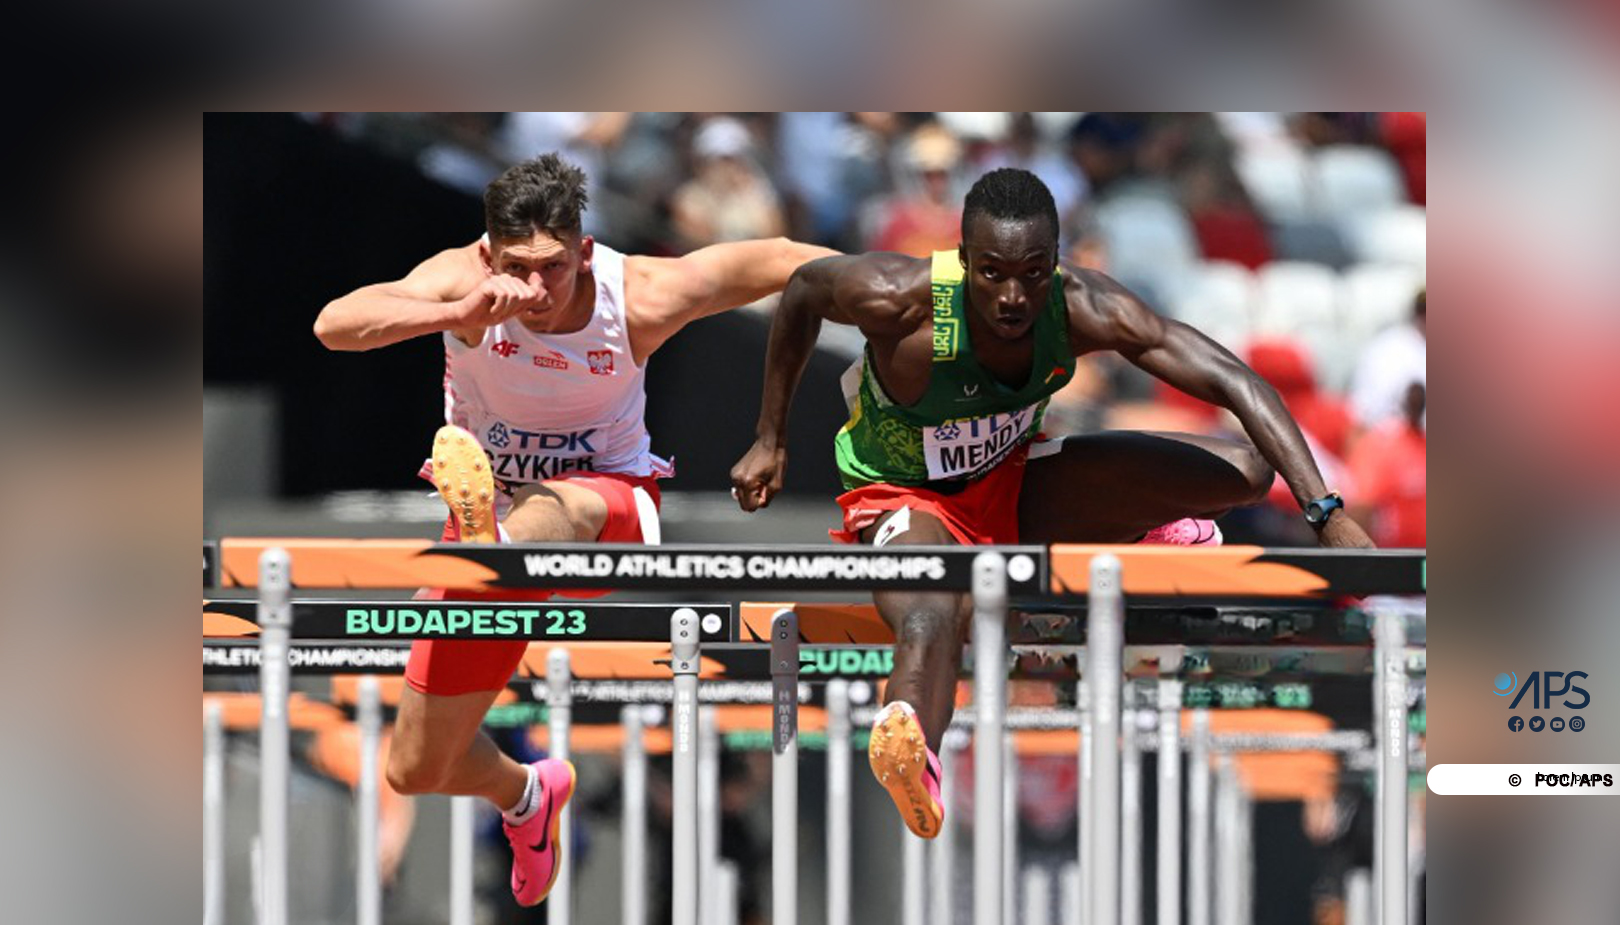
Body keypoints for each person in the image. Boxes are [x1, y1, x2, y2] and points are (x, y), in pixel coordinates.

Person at [729, 167, 1372, 838]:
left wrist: (1325, 512)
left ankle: (1138, 529)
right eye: (993, 274)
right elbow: (803, 290)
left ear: (1057, 264)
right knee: (931, 608)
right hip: (907, 497)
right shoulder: (898, 297)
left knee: (1241, 469)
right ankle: (911, 743)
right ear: (964, 260)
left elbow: (1235, 379)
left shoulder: (1085, 307)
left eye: (1034, 274)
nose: (1013, 298)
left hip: (1013, 486)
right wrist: (769, 437)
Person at [314, 152, 834, 905]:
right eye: (516, 266)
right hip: (494, 543)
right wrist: (455, 317)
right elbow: (335, 325)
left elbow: (783, 261)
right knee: (417, 766)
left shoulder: (641, 295)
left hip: (608, 517)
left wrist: (931, 283)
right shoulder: (463, 280)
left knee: (564, 503)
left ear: (585, 251)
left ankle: (487, 540)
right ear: (489, 253)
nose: (532, 289)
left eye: (553, 267)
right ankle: (528, 794)